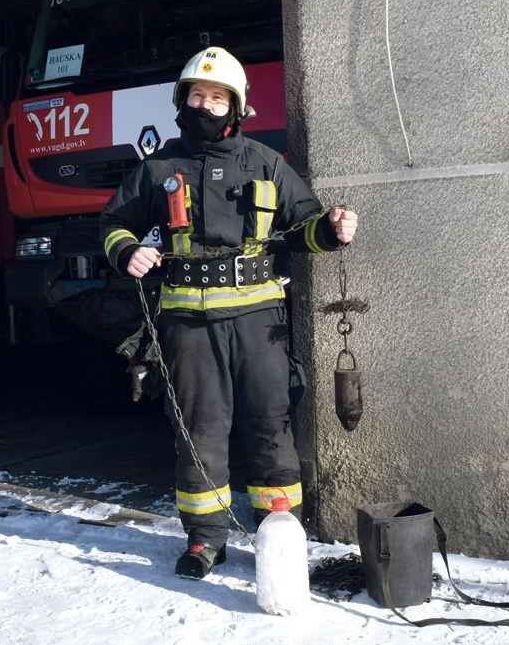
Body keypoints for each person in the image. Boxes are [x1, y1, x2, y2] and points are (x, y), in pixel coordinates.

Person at [99, 47, 358, 579]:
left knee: (270, 426)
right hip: (188, 328)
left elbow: (304, 224)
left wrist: (331, 230)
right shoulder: (158, 168)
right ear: (182, 101)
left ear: (235, 105)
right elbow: (111, 226)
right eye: (197, 95)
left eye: (217, 97)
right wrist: (128, 251)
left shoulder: (265, 162)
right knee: (199, 431)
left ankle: (278, 535)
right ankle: (205, 540)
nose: (205, 105)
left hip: (259, 326)